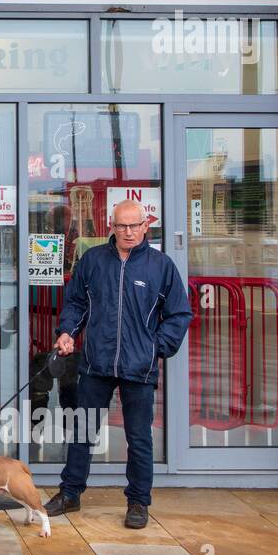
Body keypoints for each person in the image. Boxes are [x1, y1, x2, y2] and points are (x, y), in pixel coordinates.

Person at [45, 198, 193, 529]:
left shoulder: (161, 266)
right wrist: (68, 332)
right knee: (83, 430)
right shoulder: (93, 260)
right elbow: (76, 302)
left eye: (134, 225)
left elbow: (179, 314)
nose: (128, 232)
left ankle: (138, 502)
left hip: (139, 368)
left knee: (138, 436)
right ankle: (70, 493)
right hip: (96, 363)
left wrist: (157, 348)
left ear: (145, 226)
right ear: (111, 227)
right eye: (121, 225)